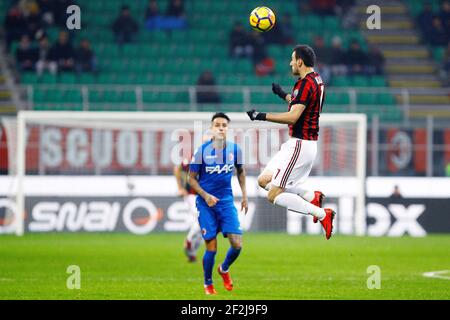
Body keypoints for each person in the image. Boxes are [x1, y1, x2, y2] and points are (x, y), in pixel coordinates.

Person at [246, 45, 336, 240]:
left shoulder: (305, 84)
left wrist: (260, 116)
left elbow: (293, 117)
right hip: (297, 144)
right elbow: (303, 105)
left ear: (300, 62)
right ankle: (311, 195)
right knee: (263, 181)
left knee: (273, 196)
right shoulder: (317, 80)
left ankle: (322, 214)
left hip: (301, 145)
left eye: (292, 59)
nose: (290, 63)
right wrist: (283, 95)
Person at [188, 112, 248, 295]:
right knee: (211, 247)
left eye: (224, 125)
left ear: (228, 128)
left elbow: (241, 172)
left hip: (226, 202)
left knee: (237, 245)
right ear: (211, 129)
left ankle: (224, 268)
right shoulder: (201, 151)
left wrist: (245, 196)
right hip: (206, 204)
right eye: (217, 125)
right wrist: (206, 196)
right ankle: (208, 284)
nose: (221, 128)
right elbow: (191, 179)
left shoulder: (235, 150)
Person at [174, 157, 202, 263]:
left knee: (205, 228)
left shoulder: (216, 159)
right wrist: (180, 188)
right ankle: (189, 241)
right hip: (192, 196)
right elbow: (177, 168)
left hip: (207, 197)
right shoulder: (194, 158)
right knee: (201, 221)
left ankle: (192, 253)